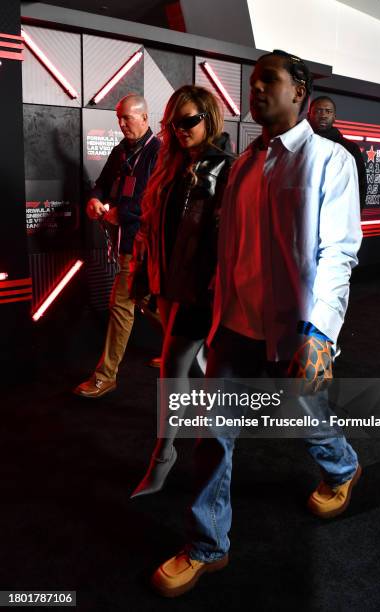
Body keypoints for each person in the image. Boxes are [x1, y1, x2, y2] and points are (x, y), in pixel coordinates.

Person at [151, 50, 363, 597]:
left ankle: (342, 467)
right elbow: (228, 252)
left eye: (270, 79)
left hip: (296, 330)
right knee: (212, 436)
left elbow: (339, 252)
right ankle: (207, 544)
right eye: (253, 81)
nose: (257, 88)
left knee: (307, 417)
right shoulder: (242, 166)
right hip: (234, 329)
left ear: (300, 92)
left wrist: (320, 333)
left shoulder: (328, 161)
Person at [129, 85, 235, 496]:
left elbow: (230, 238)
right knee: (202, 367)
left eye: (189, 120)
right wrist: (144, 279)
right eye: (174, 123)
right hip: (172, 285)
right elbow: (155, 230)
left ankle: (164, 455)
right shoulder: (171, 166)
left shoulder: (228, 168)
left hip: (205, 291)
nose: (180, 129)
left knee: (175, 368)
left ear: (209, 118)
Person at [74, 94, 160, 398]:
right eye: (119, 118)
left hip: (147, 244)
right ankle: (188, 347)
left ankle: (106, 375)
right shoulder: (121, 151)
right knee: (147, 304)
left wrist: (119, 213)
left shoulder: (158, 153)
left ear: (145, 118)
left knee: (122, 306)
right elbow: (100, 183)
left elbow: (155, 204)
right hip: (126, 243)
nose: (121, 124)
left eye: (127, 118)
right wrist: (95, 199)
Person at [308, 95, 367, 209]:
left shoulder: (350, 148)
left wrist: (354, 217)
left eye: (328, 111)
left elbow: (360, 185)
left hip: (337, 215)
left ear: (334, 117)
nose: (323, 115)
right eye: (318, 111)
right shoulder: (299, 145)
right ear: (309, 115)